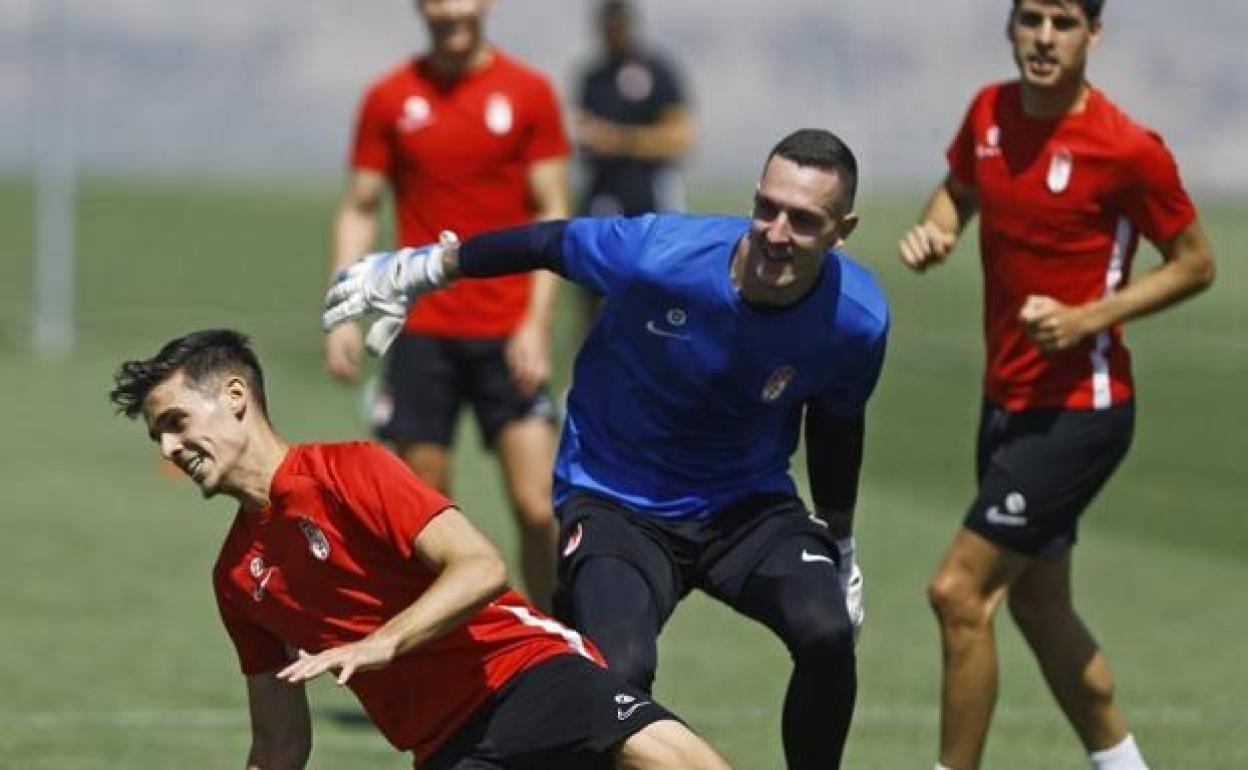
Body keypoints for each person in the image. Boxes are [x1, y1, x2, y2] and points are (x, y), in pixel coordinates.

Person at [324, 128, 889, 770]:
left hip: (747, 507)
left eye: (804, 220)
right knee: (616, 672)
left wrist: (840, 548)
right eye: (767, 207)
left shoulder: (858, 318)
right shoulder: (662, 254)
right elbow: (548, 242)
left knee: (827, 634)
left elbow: (838, 425)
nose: (776, 232)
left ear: (843, 230)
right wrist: (423, 268)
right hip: (618, 503)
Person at [109, 329, 733, 770]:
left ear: (236, 398)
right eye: (157, 436)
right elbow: (278, 746)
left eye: (176, 423)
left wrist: (385, 641)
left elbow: (481, 565)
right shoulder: (238, 579)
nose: (168, 448)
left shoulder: (350, 471)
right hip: (445, 745)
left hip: (525, 672)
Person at [898, 2, 1216, 769]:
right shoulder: (989, 112)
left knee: (958, 593)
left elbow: (1195, 263)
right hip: (1005, 402)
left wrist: (1088, 318)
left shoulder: (1127, 148)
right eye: (1031, 17)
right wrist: (936, 228)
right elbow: (958, 190)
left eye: (1065, 21)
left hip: (1082, 411)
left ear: (1092, 35)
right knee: (1040, 607)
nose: (1045, 37)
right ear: (1010, 27)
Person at [322, 0, 570, 609]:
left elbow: (553, 210)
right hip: (422, 331)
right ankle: (454, 668)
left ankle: (569, 651)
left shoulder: (529, 92)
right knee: (429, 516)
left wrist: (536, 323)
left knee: (538, 505)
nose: (449, 9)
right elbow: (359, 207)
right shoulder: (389, 98)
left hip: (507, 330)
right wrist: (344, 307)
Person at [573, 0, 693, 219]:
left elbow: (680, 137)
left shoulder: (657, 72)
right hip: (604, 193)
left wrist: (620, 140)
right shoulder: (594, 78)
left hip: (653, 189)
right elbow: (582, 127)